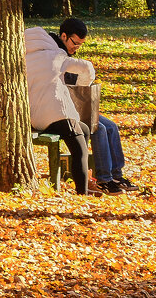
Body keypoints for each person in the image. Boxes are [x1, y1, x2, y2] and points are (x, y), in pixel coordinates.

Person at [25, 18, 139, 195]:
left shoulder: (28, 51)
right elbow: (86, 70)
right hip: (54, 113)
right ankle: (99, 182)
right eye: (74, 43)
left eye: (80, 45)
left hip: (38, 112)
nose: (75, 48)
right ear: (64, 36)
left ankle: (111, 177)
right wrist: (79, 85)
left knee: (99, 127)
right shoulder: (57, 55)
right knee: (95, 130)